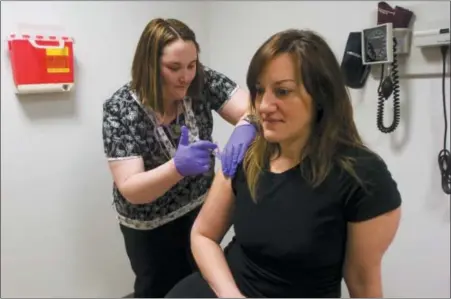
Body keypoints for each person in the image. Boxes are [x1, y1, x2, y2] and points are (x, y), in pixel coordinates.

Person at [165, 28, 402, 298]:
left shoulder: (362, 177)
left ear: (321, 96)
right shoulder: (247, 155)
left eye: (283, 91)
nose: (264, 105)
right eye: (259, 90)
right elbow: (204, 236)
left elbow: (362, 283)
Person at [101, 18, 257, 298]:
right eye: (174, 68)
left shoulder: (202, 81)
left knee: (200, 282)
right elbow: (131, 188)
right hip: (150, 225)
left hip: (200, 210)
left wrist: (246, 127)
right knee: (157, 289)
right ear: (149, 66)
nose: (186, 76)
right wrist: (176, 168)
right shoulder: (120, 109)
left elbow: (255, 109)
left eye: (191, 65)